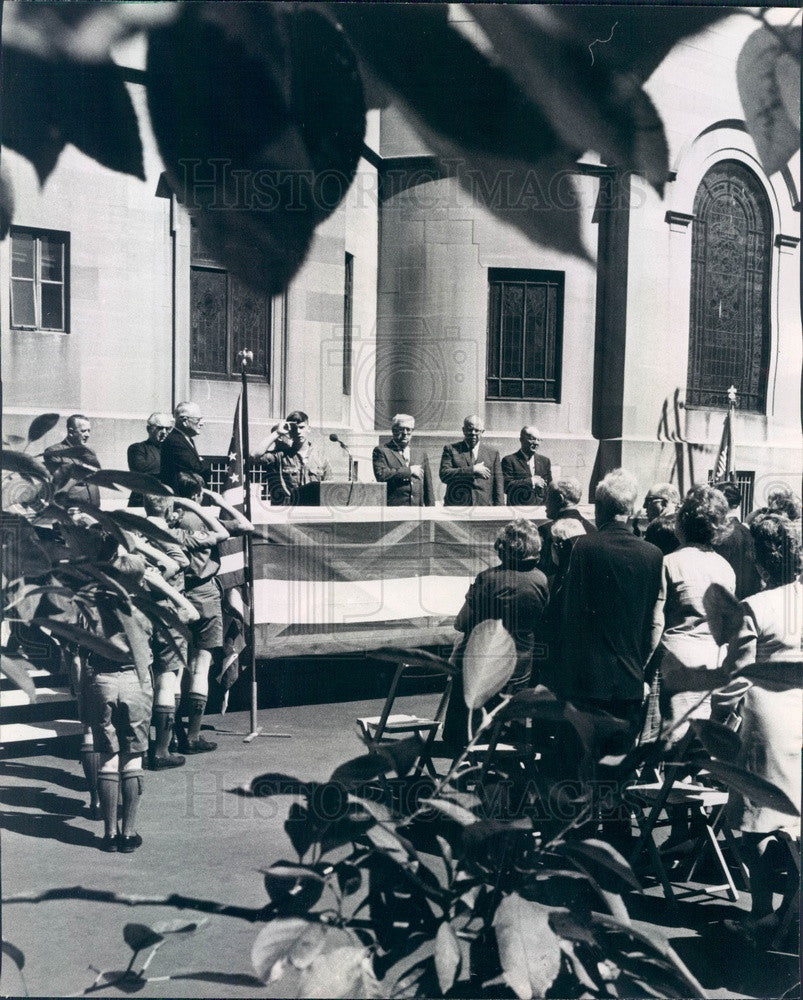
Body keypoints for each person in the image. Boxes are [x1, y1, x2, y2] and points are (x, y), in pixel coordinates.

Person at [715, 514, 802, 945]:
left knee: (755, 822)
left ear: (762, 560)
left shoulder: (759, 607)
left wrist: (715, 723)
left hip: (768, 722)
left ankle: (763, 913)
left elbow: (735, 679)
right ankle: (784, 914)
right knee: (793, 826)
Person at [560, 469, 664, 739]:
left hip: (588, 679)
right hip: (630, 677)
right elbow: (653, 619)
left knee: (585, 764)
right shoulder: (653, 555)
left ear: (600, 509)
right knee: (620, 767)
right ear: (631, 508)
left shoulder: (583, 547)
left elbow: (570, 613)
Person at [442, 519, 549, 748]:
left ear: (503, 548)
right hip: (522, 666)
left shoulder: (488, 579)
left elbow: (461, 623)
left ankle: (459, 737)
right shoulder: (541, 580)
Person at [170, 474, 254, 752]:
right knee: (201, 665)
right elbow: (245, 525)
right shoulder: (206, 520)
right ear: (197, 495)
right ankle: (193, 735)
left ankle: (170, 734)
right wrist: (218, 501)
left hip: (176, 594)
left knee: (174, 669)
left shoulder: (168, 521)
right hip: (205, 594)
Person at [655, 486, 736, 742]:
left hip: (675, 660)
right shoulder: (725, 568)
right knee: (698, 744)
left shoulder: (668, 562)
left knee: (669, 743)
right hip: (713, 661)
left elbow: (656, 621)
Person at [252, 410, 332, 505]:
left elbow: (329, 488)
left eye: (301, 427)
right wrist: (277, 433)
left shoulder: (321, 457)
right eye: (295, 428)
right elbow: (254, 455)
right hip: (286, 510)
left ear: (309, 429)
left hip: (313, 511)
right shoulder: (281, 456)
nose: (298, 431)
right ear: (289, 431)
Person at [439, 415, 504, 506]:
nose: (473, 433)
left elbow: (498, 485)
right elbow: (444, 475)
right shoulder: (451, 449)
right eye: (469, 429)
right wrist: (472, 470)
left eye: (477, 430)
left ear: (482, 432)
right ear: (463, 430)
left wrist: (499, 508)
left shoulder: (492, 453)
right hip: (457, 506)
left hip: (484, 507)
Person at [372, 413, 435, 507]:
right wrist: (409, 471)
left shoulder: (420, 453)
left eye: (409, 429)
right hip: (394, 509)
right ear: (394, 430)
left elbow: (428, 485)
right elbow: (381, 475)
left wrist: (431, 509)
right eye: (401, 429)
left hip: (417, 508)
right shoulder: (382, 451)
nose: (405, 433)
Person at [712, 482, 762, 599]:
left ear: (720, 502)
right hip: (746, 598)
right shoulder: (748, 531)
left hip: (726, 600)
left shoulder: (720, 534)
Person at [538, 478, 596, 575]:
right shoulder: (592, 529)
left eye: (548, 497)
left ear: (560, 499)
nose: (545, 503)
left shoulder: (546, 531)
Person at [43, 414, 101, 506]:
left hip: (94, 508)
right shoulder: (54, 452)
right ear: (71, 432)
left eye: (89, 431)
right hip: (71, 509)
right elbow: (60, 480)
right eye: (83, 431)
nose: (87, 434)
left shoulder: (90, 452)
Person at [159, 402, 207, 492]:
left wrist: (200, 462)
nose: (202, 423)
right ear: (185, 421)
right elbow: (196, 468)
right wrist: (203, 462)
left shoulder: (186, 439)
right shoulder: (174, 441)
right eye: (198, 419)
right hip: (181, 496)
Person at [127, 412, 173, 507]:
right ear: (149, 429)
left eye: (168, 428)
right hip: (142, 503)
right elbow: (140, 470)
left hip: (168, 503)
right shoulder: (137, 448)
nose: (164, 432)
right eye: (160, 428)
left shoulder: (173, 450)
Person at [501, 426, 552, 506]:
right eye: (532, 439)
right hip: (518, 509)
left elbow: (549, 487)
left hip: (540, 510)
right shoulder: (509, 461)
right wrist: (531, 481)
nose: (536, 443)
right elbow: (506, 486)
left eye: (539, 440)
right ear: (521, 439)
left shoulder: (545, 461)